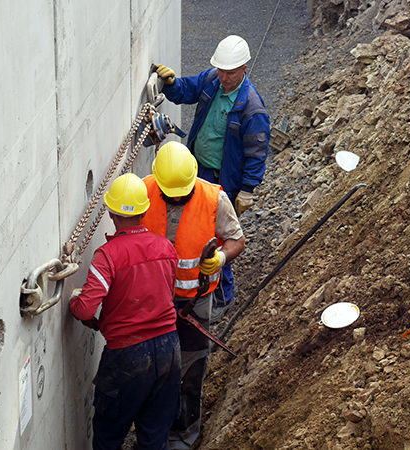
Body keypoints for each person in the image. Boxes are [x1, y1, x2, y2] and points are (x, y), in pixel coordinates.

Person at [155, 34, 270, 321]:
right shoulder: (211, 80)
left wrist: (247, 190)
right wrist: (170, 84)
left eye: (230, 72)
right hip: (197, 170)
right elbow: (186, 90)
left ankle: (222, 297)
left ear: (245, 68)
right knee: (194, 229)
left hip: (223, 180)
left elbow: (256, 153)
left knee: (219, 239)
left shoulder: (252, 109)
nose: (224, 77)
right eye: (221, 70)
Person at [140, 142, 245, 450]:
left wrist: (221, 259)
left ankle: (183, 436)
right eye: (168, 192)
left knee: (190, 368)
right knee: (152, 370)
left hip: (194, 303)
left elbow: (237, 240)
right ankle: (152, 435)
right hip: (153, 301)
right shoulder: (143, 192)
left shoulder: (214, 199)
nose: (175, 198)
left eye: (180, 193)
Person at [70, 173, 182, 450]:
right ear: (144, 210)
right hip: (169, 348)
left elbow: (85, 309)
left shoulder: (108, 255)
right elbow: (167, 293)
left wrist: (75, 302)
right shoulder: (166, 248)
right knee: (155, 435)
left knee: (109, 437)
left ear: (111, 212)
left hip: (127, 356)